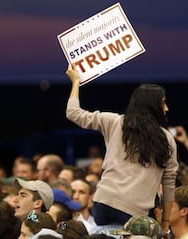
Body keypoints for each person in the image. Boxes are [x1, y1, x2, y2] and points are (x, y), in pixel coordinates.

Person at [65, 63, 178, 233]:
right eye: (163, 103)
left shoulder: (114, 121)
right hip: (135, 214)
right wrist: (166, 222)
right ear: (153, 106)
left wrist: (75, 82)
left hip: (103, 205)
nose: (167, 109)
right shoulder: (167, 138)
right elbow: (169, 183)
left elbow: (72, 113)